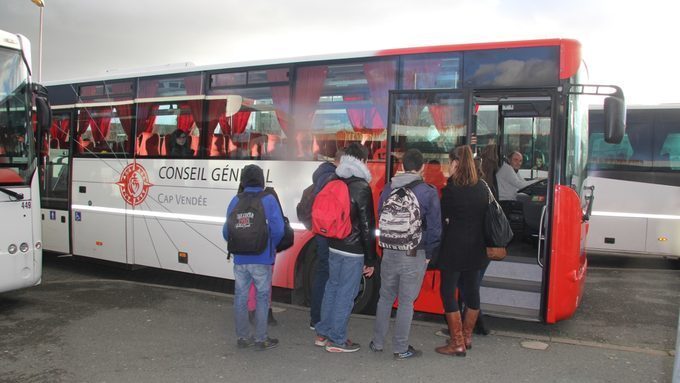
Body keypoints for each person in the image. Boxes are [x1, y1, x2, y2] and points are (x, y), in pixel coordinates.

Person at [370, 149, 441, 360]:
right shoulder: (428, 191)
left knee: (385, 298)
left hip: (389, 250)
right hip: (413, 252)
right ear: (422, 167)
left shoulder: (388, 189)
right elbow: (436, 228)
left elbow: (380, 215)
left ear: (401, 166)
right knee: (406, 302)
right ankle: (401, 348)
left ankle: (377, 342)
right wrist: (428, 253)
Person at [314, 142, 376, 353]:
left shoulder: (334, 178)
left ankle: (323, 333)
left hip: (333, 244)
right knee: (345, 293)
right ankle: (338, 340)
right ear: (364, 161)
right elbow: (367, 227)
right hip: (353, 249)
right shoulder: (362, 187)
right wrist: (371, 258)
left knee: (332, 287)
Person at [223, 164, 284, 351]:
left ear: (243, 181)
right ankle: (261, 339)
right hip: (262, 258)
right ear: (261, 180)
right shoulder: (268, 199)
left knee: (240, 297)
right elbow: (279, 229)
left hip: (240, 259)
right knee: (262, 297)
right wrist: (270, 246)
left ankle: (242, 337)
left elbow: (226, 231)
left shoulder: (235, 200)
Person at [435, 145, 488, 357]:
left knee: (448, 292)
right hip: (477, 249)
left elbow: (443, 219)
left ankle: (456, 343)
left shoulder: (451, 189)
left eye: (450, 162)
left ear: (456, 163)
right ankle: (466, 337)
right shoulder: (482, 187)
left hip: (454, 248)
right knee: (472, 291)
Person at [309, 149, 344, 331]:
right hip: (330, 232)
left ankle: (316, 318)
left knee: (323, 273)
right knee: (330, 276)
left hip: (320, 230)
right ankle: (322, 320)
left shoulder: (322, 175)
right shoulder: (335, 179)